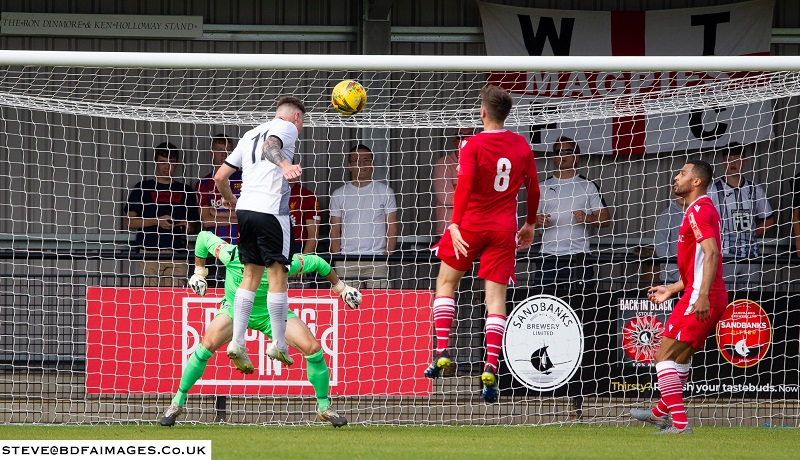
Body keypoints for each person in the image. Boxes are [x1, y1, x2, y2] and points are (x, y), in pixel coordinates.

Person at [159, 231, 362, 428]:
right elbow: (203, 237)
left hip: (270, 315)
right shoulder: (232, 254)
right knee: (206, 346)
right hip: (233, 310)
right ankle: (176, 403)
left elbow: (318, 262)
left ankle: (324, 407)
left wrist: (341, 288)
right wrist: (199, 272)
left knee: (313, 348)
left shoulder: (284, 263)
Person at [423, 84, 540, 403]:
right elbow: (533, 190)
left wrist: (455, 223)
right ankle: (490, 363)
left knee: (446, 284)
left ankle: (442, 350)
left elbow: (463, 187)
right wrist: (529, 223)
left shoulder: (471, 144)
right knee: (495, 299)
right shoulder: (521, 145)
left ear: (483, 113)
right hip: (504, 229)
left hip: (471, 224)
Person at [631, 160, 728, 435]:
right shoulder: (699, 209)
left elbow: (711, 254)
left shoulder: (699, 211)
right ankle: (659, 412)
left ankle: (681, 425)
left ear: (697, 182)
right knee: (681, 357)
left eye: (683, 173)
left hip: (702, 296)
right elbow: (697, 264)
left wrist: (702, 296)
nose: (676, 177)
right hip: (701, 292)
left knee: (663, 355)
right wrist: (671, 289)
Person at [213, 95, 305, 373]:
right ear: (296, 118)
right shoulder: (286, 127)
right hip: (271, 211)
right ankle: (278, 342)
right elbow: (271, 146)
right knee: (278, 275)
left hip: (246, 211)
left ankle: (238, 341)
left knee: (250, 275)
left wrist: (230, 199)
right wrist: (285, 166)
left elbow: (219, 178)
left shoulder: (248, 134)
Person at [535, 136, 611, 288]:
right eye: (558, 152)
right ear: (553, 157)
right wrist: (537, 221)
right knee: (545, 305)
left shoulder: (588, 186)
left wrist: (587, 218)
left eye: (567, 151)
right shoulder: (541, 187)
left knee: (581, 305)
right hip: (548, 257)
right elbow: (530, 221)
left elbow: (606, 219)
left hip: (578, 257)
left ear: (577, 157)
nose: (562, 155)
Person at [124, 141, 199, 287]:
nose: (167, 166)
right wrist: (157, 221)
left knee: (175, 298)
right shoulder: (142, 188)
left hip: (177, 252)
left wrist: (188, 225)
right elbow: (130, 222)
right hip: (150, 251)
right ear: (156, 162)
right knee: (152, 299)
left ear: (177, 163)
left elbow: (194, 224)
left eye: (171, 162)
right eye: (163, 162)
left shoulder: (185, 190)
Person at [329, 144, 398, 289]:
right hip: (347, 260)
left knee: (381, 304)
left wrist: (387, 256)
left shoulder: (386, 192)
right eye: (356, 161)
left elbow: (392, 226)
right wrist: (337, 259)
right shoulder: (339, 194)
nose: (361, 164)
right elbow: (334, 230)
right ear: (349, 166)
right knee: (347, 306)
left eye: (366, 160)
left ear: (372, 164)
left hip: (377, 259)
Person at [708, 143, 774, 291]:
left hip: (750, 255)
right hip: (723, 255)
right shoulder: (712, 191)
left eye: (737, 158)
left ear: (744, 161)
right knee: (725, 296)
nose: (733, 163)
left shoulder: (754, 190)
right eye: (728, 159)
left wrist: (752, 233)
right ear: (723, 162)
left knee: (751, 298)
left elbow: (769, 219)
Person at [196, 134, 239, 287]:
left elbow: (248, 216)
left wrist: (216, 213)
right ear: (211, 153)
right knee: (216, 291)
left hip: (241, 248)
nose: (224, 154)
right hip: (215, 250)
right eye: (219, 150)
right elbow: (206, 220)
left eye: (228, 150)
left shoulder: (245, 179)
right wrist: (236, 216)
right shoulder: (205, 184)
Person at [432, 127, 478, 238]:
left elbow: (490, 195)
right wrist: (476, 194)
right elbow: (447, 198)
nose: (465, 140)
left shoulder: (482, 162)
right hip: (449, 231)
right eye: (460, 136)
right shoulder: (444, 163)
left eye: (469, 136)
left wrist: (459, 188)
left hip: (476, 229)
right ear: (454, 140)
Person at [653, 196, 686, 284]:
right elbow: (661, 248)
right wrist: (677, 273)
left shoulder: (699, 213)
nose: (682, 195)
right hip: (671, 281)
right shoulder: (666, 215)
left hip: (697, 279)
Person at [289, 182, 321, 255]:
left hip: (297, 245)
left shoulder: (307, 196)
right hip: (270, 244)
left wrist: (304, 261)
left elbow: (313, 234)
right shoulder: (267, 194)